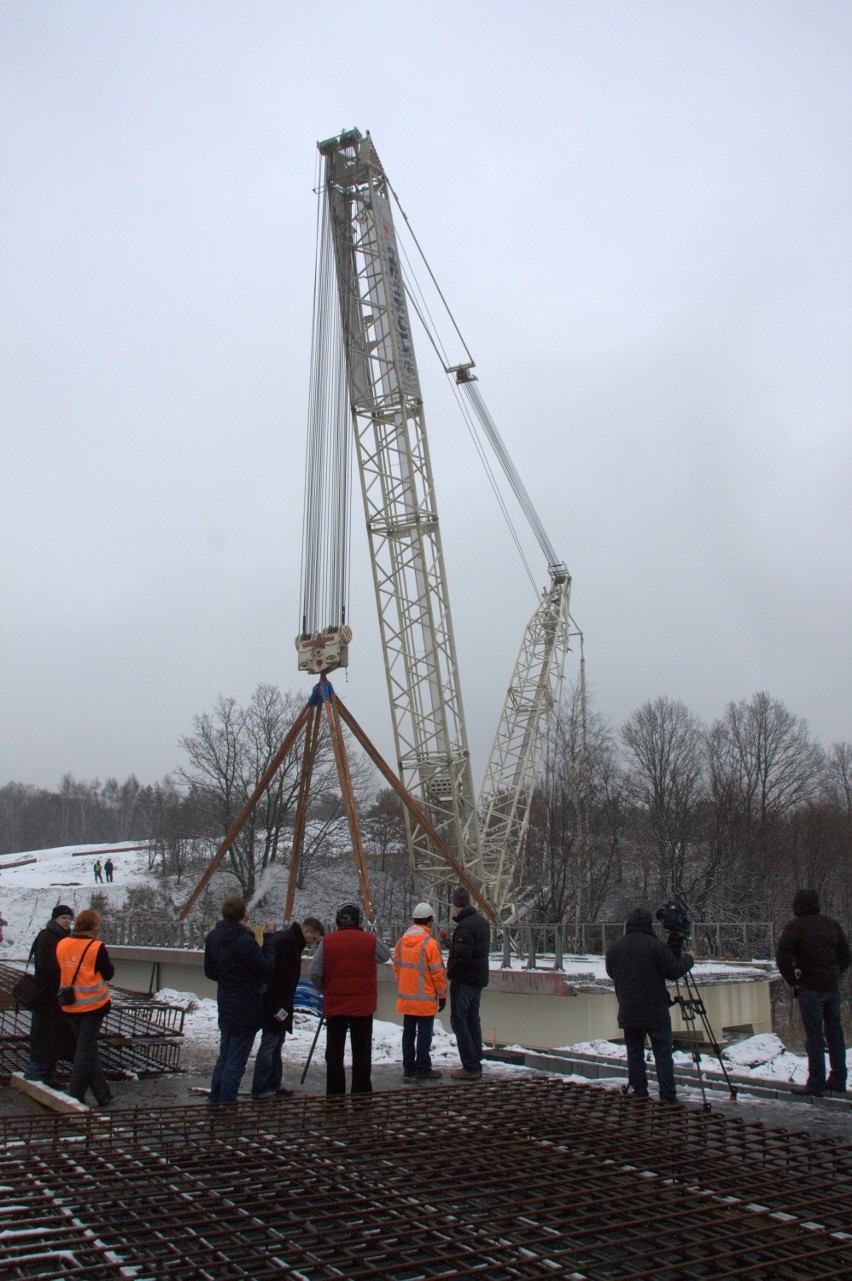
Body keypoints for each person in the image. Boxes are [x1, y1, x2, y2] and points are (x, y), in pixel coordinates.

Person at [605, 907, 694, 1104]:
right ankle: (668, 1097)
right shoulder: (655, 946)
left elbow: (612, 972)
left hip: (628, 1010)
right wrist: (689, 959)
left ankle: (640, 1092)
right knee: (662, 1054)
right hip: (656, 1011)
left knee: (634, 1054)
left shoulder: (616, 948)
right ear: (648, 924)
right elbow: (673, 970)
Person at [309, 902, 391, 1095]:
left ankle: (335, 1096)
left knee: (334, 1054)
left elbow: (314, 971)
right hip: (362, 1007)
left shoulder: (328, 941)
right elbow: (385, 955)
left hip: (335, 1005)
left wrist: (325, 987)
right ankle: (361, 1096)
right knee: (362, 1053)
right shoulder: (369, 940)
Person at [776, 888, 851, 1097]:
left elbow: (782, 958)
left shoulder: (794, 927)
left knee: (814, 1036)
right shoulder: (831, 925)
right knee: (835, 1034)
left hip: (809, 988)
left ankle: (816, 1082)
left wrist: (794, 981)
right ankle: (838, 1079)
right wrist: (835, 973)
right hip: (831, 988)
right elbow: (846, 954)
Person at [204, 894, 275, 1106]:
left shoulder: (213, 937)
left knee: (224, 1056)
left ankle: (215, 1100)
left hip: (225, 1001)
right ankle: (227, 1104)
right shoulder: (244, 940)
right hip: (246, 1005)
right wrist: (269, 939)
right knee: (236, 1059)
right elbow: (265, 968)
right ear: (244, 913)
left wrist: (229, 979)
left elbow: (210, 971)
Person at [250, 915, 325, 1100]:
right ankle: (261, 1088)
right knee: (270, 1044)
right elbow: (275, 977)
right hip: (275, 1003)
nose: (312, 943)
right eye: (313, 939)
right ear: (306, 931)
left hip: (278, 1003)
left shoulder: (289, 941)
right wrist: (276, 1006)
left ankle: (273, 1083)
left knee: (276, 1043)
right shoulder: (288, 943)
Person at [56, 908, 115, 1107]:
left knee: (88, 1049)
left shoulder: (62, 944)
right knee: (84, 1050)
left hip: (69, 1004)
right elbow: (108, 973)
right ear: (93, 927)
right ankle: (76, 1094)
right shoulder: (96, 947)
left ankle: (103, 1094)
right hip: (93, 1005)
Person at [23, 904, 76, 1087]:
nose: (67, 922)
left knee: (52, 1035)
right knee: (45, 1034)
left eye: (69, 919)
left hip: (54, 995)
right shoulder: (48, 937)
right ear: (55, 919)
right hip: (47, 995)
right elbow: (47, 967)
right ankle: (37, 1073)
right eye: (64, 918)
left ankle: (47, 1074)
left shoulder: (61, 937)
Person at [393, 902, 447, 1082]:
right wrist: (442, 995)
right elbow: (438, 973)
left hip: (407, 998)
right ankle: (423, 1068)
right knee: (424, 1035)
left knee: (408, 1034)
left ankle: (409, 1067)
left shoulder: (401, 942)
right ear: (430, 921)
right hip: (425, 1000)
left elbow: (398, 968)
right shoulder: (429, 944)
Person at [446, 886, 490, 1081]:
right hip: (478, 980)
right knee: (473, 1020)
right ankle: (476, 1060)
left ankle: (470, 1065)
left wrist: (451, 974)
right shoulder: (482, 923)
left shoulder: (464, 927)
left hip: (464, 981)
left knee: (459, 1021)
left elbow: (462, 958)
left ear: (457, 906)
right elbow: (473, 950)